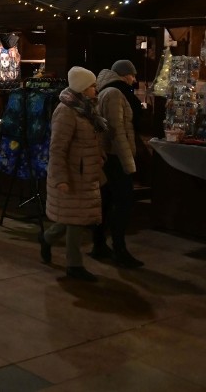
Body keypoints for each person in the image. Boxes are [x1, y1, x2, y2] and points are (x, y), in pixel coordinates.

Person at [39, 67, 107, 281]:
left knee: (73, 217)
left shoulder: (86, 109)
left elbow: (92, 140)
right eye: (92, 86)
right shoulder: (66, 111)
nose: (96, 89)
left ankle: (47, 238)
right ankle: (74, 265)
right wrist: (60, 179)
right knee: (76, 219)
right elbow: (57, 148)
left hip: (85, 172)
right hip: (73, 175)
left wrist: (100, 158)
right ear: (81, 88)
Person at [93, 59, 144, 268]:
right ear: (126, 74)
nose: (134, 79)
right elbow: (117, 131)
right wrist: (128, 162)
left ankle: (99, 244)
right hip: (114, 157)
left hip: (107, 156)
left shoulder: (104, 90)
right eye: (132, 75)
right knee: (122, 202)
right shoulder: (115, 93)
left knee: (105, 201)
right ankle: (119, 248)